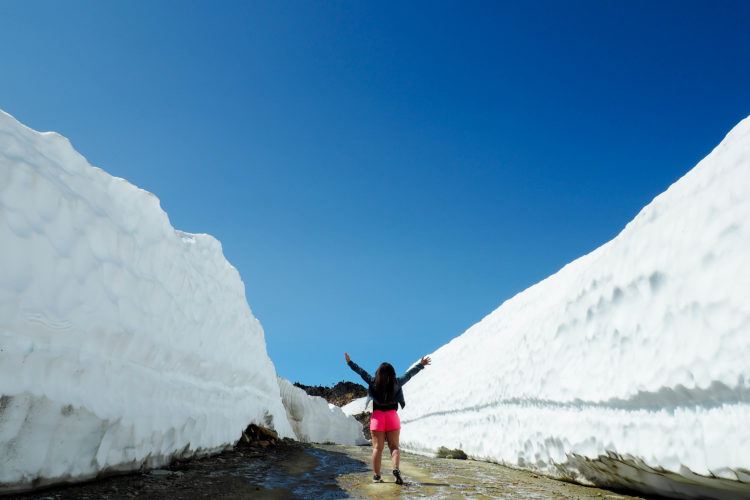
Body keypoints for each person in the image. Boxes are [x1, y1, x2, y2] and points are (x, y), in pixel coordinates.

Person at [344, 351, 431, 485]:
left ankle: (377, 476)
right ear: (392, 373)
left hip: (378, 417)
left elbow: (361, 372)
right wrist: (421, 364)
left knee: (377, 448)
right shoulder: (397, 382)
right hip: (392, 416)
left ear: (378, 372)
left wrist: (350, 363)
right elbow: (409, 375)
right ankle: (396, 469)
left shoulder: (373, 381)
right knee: (394, 447)